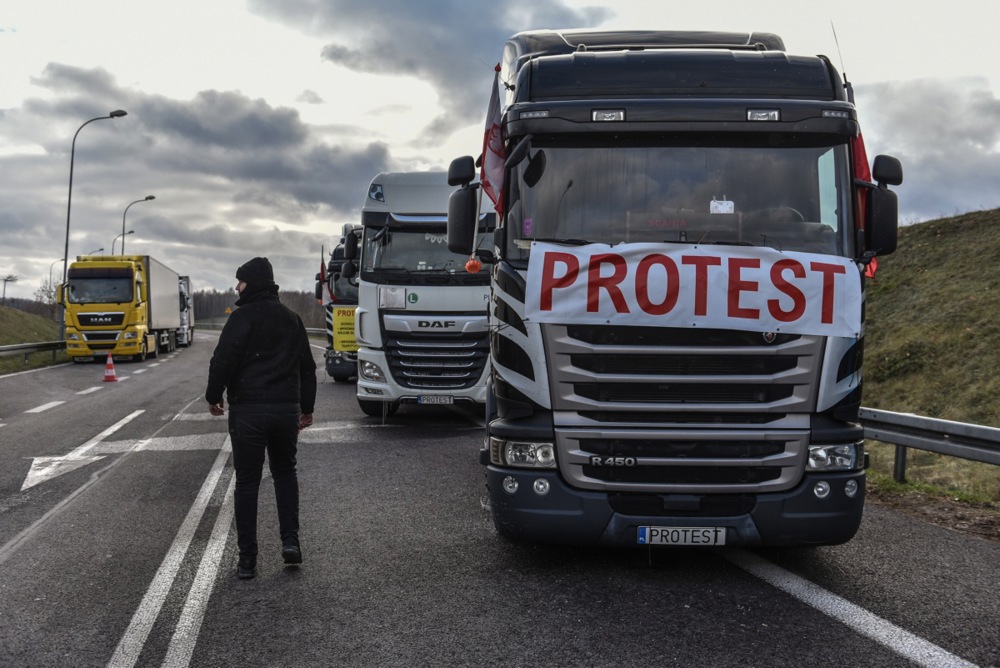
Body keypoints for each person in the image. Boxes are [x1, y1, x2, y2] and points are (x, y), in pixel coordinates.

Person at [205, 257, 317, 580]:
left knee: (248, 482)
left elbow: (222, 360)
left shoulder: (241, 319)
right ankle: (290, 542)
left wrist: (214, 396)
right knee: (285, 474)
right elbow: (307, 368)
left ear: (251, 283)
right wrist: (306, 408)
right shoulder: (293, 320)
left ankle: (247, 560)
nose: (237, 287)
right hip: (285, 412)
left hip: (249, 414)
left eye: (240, 282)